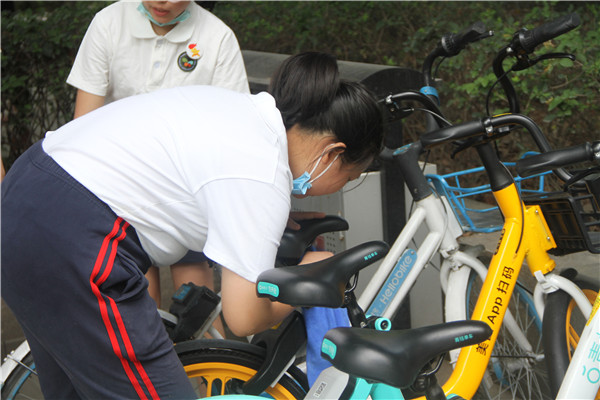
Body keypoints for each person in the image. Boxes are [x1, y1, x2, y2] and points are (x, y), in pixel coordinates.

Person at [1, 52, 384, 399]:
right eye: (350, 177)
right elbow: (244, 317)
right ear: (332, 154)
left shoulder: (243, 113)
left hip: (25, 203)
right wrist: (309, 279)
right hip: (74, 238)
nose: (342, 185)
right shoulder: (262, 171)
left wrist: (268, 221)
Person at [67, 0, 250, 316]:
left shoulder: (217, 38)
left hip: (185, 190)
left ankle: (203, 349)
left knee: (197, 308)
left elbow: (232, 131)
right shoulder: (109, 23)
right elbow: (83, 125)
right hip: (119, 188)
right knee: (139, 307)